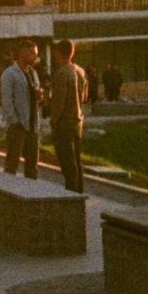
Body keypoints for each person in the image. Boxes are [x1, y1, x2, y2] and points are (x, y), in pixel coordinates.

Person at [49, 38, 88, 194]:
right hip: (78, 122)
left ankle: (71, 196)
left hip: (64, 123)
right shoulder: (80, 71)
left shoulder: (62, 73)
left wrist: (53, 121)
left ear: (59, 52)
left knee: (67, 164)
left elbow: (59, 102)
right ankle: (79, 193)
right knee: (77, 162)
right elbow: (84, 97)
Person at [0, 39, 42, 179]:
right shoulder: (9, 73)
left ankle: (32, 195)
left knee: (32, 167)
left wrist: (39, 96)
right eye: (33, 54)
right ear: (23, 53)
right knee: (12, 164)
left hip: (32, 126)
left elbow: (34, 97)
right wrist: (15, 121)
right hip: (17, 126)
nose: (35, 57)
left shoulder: (33, 73)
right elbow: (6, 100)